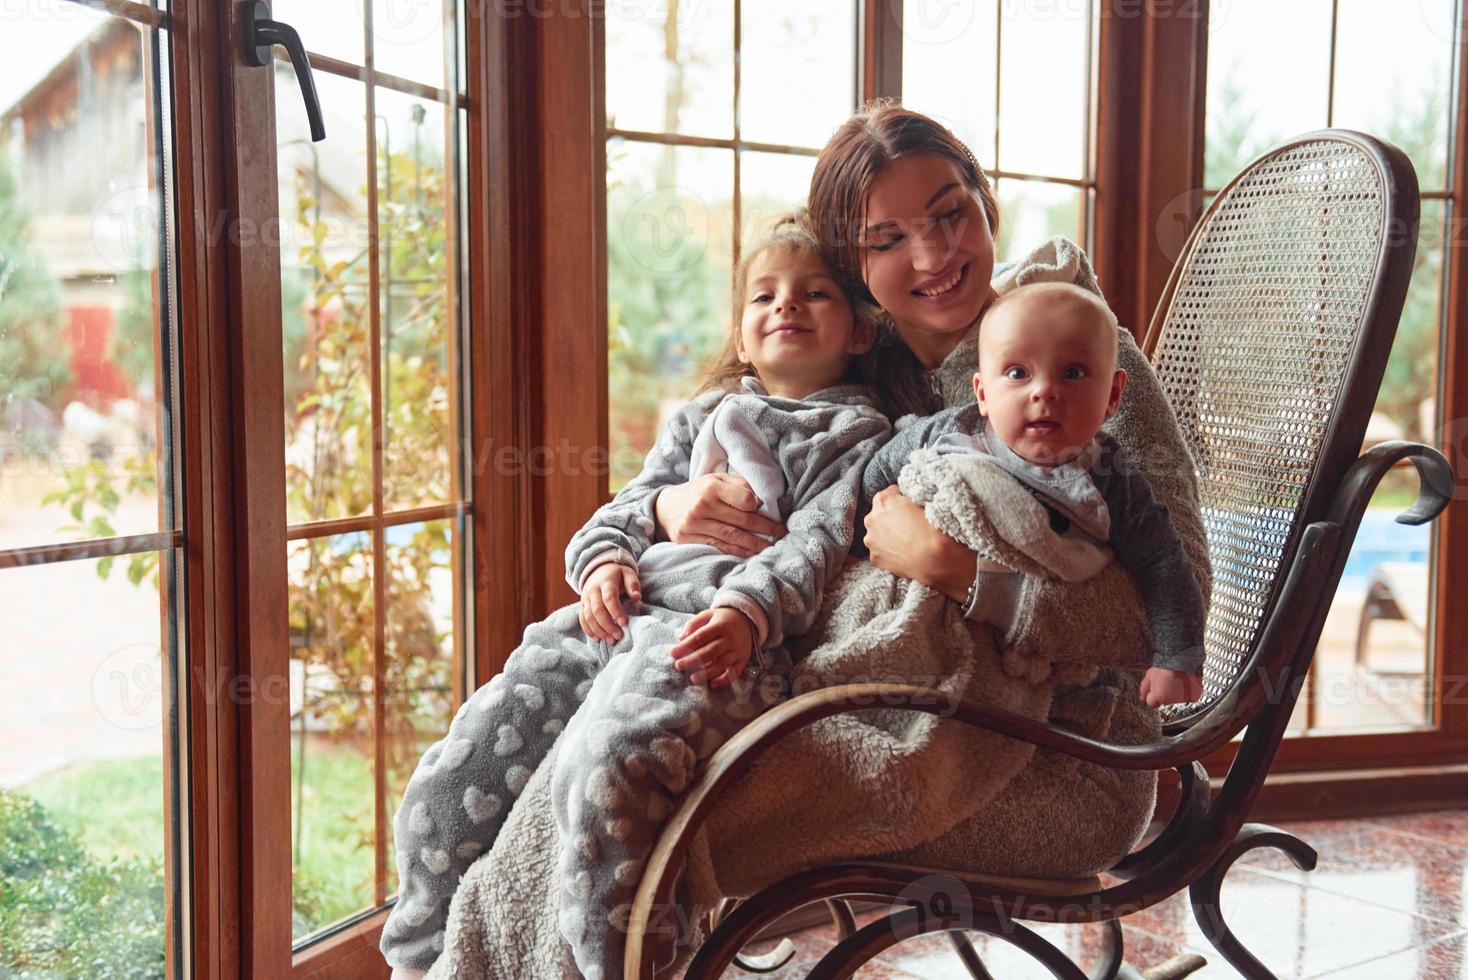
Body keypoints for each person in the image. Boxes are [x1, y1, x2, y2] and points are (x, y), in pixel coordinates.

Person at [653, 100, 1212, 880]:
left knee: (673, 808)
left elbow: (1171, 606)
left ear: (987, 207)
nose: (932, 255)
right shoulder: (852, 366)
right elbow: (715, 445)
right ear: (854, 270)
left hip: (1067, 757)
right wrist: (667, 505)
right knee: (634, 741)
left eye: (951, 215)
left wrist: (960, 575)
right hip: (885, 706)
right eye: (887, 240)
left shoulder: (1078, 359)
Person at [380, 216, 891, 980]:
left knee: (607, 771)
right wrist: (603, 564)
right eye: (764, 295)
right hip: (609, 617)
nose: (786, 305)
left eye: (814, 293)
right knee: (456, 768)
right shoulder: (697, 418)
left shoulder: (856, 436)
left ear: (857, 332)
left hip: (706, 639)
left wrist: (746, 614)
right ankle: (420, 961)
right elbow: (629, 505)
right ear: (743, 337)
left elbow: (812, 547)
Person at [859, 281, 1207, 707]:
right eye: (1018, 373)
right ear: (983, 393)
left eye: (1073, 373)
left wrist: (1178, 657)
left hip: (1022, 671)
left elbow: (1163, 564)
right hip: (916, 628)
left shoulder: (1110, 480)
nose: (1044, 391)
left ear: (1113, 395)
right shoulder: (950, 433)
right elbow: (876, 475)